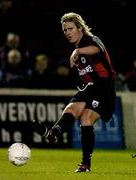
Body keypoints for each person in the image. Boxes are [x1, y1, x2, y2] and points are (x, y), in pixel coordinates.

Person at [32, 12, 116, 172]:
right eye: (65, 30)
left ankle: (85, 163)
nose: (68, 33)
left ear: (80, 28)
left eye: (70, 28)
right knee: (71, 109)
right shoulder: (78, 49)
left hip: (104, 88)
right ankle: (53, 133)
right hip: (89, 88)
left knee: (86, 118)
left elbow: (96, 49)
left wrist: (77, 52)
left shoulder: (91, 40)